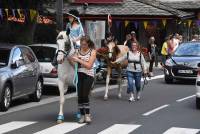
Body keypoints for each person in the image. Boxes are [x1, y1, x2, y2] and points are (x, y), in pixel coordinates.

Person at [71, 36, 96, 124]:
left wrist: (79, 60)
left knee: (85, 95)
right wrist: (73, 60)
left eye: (84, 44)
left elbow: (89, 66)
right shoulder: (77, 51)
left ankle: (88, 115)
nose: (82, 46)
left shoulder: (92, 52)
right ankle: (82, 115)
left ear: (88, 44)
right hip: (79, 74)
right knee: (80, 96)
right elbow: (74, 64)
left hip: (88, 75)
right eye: (81, 44)